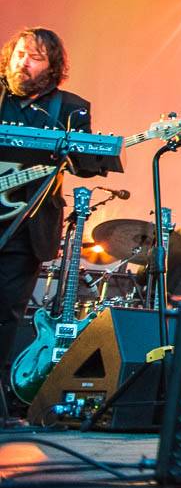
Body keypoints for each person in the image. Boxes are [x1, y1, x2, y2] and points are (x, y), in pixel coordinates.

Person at [0, 28, 94, 411]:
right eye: (19, 54)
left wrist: (75, 147)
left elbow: (89, 164)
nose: (23, 63)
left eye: (35, 57)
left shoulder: (70, 108)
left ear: (52, 67)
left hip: (27, 228)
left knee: (6, 315)